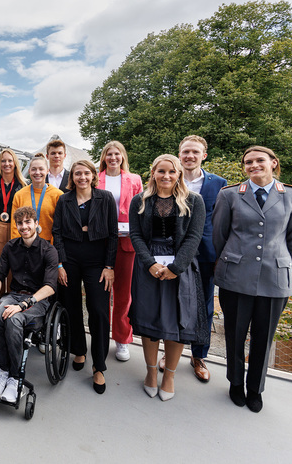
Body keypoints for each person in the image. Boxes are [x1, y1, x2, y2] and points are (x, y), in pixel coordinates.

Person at [212, 146, 292, 413]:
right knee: (234, 334)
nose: (253, 165)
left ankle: (255, 389)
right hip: (235, 277)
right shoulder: (230, 194)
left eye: (260, 160)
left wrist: (281, 264)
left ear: (273, 163)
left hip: (274, 279)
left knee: (264, 338)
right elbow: (219, 235)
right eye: (248, 162)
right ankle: (235, 383)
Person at [128, 154, 206, 401]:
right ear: (153, 173)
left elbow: (194, 238)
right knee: (150, 324)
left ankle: (169, 375)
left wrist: (176, 267)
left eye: (172, 172)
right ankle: (151, 372)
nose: (166, 176)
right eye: (161, 171)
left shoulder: (195, 201)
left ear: (179, 174)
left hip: (179, 270)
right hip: (148, 268)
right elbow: (136, 235)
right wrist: (149, 263)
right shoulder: (140, 201)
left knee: (176, 325)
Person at [158, 135, 227, 381]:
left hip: (205, 254)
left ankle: (199, 356)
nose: (189, 156)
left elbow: (226, 220)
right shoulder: (169, 179)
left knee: (204, 305)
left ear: (203, 155)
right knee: (171, 304)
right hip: (170, 254)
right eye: (185, 152)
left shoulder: (219, 184)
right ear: (179, 154)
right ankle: (169, 352)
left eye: (195, 152)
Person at [52, 160, 118, 394]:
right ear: (73, 177)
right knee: (71, 307)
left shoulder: (106, 198)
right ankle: (79, 350)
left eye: (86, 173)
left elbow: (112, 233)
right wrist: (59, 263)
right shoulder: (64, 199)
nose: (82, 177)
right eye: (77, 173)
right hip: (69, 260)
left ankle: (99, 365)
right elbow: (57, 233)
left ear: (93, 175)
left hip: (97, 262)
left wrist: (110, 265)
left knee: (99, 310)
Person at [0, 206, 59, 403]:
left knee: (14, 319)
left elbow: (51, 287)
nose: (24, 226)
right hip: (14, 295)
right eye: (20, 223)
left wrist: (24, 305)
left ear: (37, 224)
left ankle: (15, 377)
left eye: (28, 222)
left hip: (38, 300)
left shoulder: (49, 250)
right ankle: (3, 371)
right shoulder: (10, 246)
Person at [97, 140, 143, 362]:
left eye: (117, 154)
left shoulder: (134, 180)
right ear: (104, 157)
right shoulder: (96, 179)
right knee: (101, 293)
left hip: (126, 244)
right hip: (101, 242)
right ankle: (102, 336)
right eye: (109, 154)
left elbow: (141, 210)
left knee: (123, 295)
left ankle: (122, 339)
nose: (113, 158)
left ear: (122, 156)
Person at [0, 148, 26, 309]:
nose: (7, 164)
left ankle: (9, 310)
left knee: (14, 269)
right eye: (3, 161)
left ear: (15, 163)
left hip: (16, 229)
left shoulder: (22, 185)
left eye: (9, 160)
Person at [10, 155, 62, 243]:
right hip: (25, 244)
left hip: (49, 245)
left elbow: (60, 225)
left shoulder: (58, 195)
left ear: (47, 171)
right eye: (34, 169)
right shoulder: (19, 195)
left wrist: (54, 248)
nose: (37, 172)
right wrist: (18, 247)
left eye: (41, 169)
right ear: (29, 171)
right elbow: (14, 225)